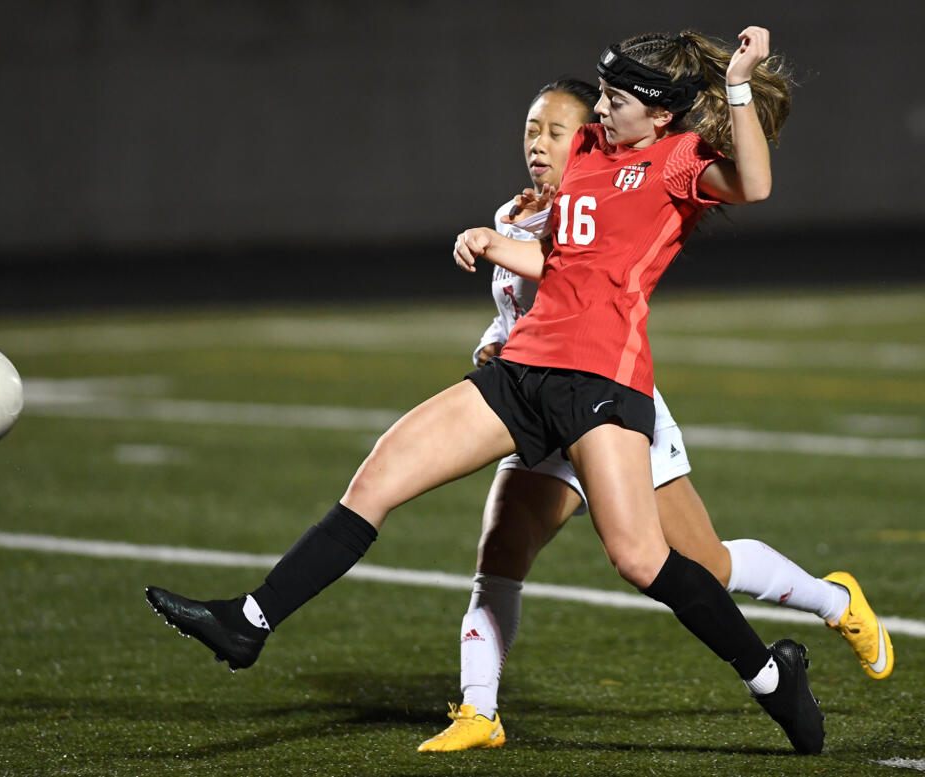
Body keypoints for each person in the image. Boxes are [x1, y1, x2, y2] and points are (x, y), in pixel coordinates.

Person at [146, 26, 826, 754]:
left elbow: (754, 184)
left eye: (615, 98)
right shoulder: (591, 151)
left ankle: (768, 675)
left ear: (659, 114)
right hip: (521, 366)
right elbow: (565, 259)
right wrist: (494, 240)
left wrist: (740, 86)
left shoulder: (676, 160)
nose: (599, 108)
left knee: (638, 557)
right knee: (381, 471)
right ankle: (249, 620)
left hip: (601, 378)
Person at [416, 78, 893, 753]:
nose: (538, 144)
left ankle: (832, 600)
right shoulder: (513, 212)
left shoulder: (606, 199)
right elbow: (519, 315)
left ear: (591, 139)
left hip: (613, 405)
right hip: (537, 410)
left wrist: (497, 246)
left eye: (556, 131)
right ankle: (478, 710)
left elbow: (577, 279)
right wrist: (492, 342)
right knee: (500, 555)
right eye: (531, 129)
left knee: (704, 561)